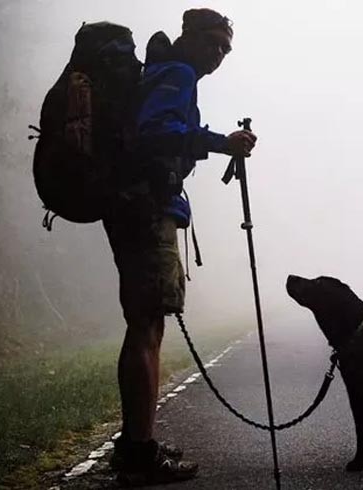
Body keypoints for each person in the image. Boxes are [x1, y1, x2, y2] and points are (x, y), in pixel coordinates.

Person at [103, 8, 257, 486]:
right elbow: (156, 134)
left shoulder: (168, 71)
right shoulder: (176, 72)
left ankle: (137, 440)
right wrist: (220, 141)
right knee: (146, 324)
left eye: (225, 48)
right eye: (212, 42)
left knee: (149, 323)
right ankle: (139, 453)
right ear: (189, 37)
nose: (218, 54)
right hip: (145, 207)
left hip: (141, 205)